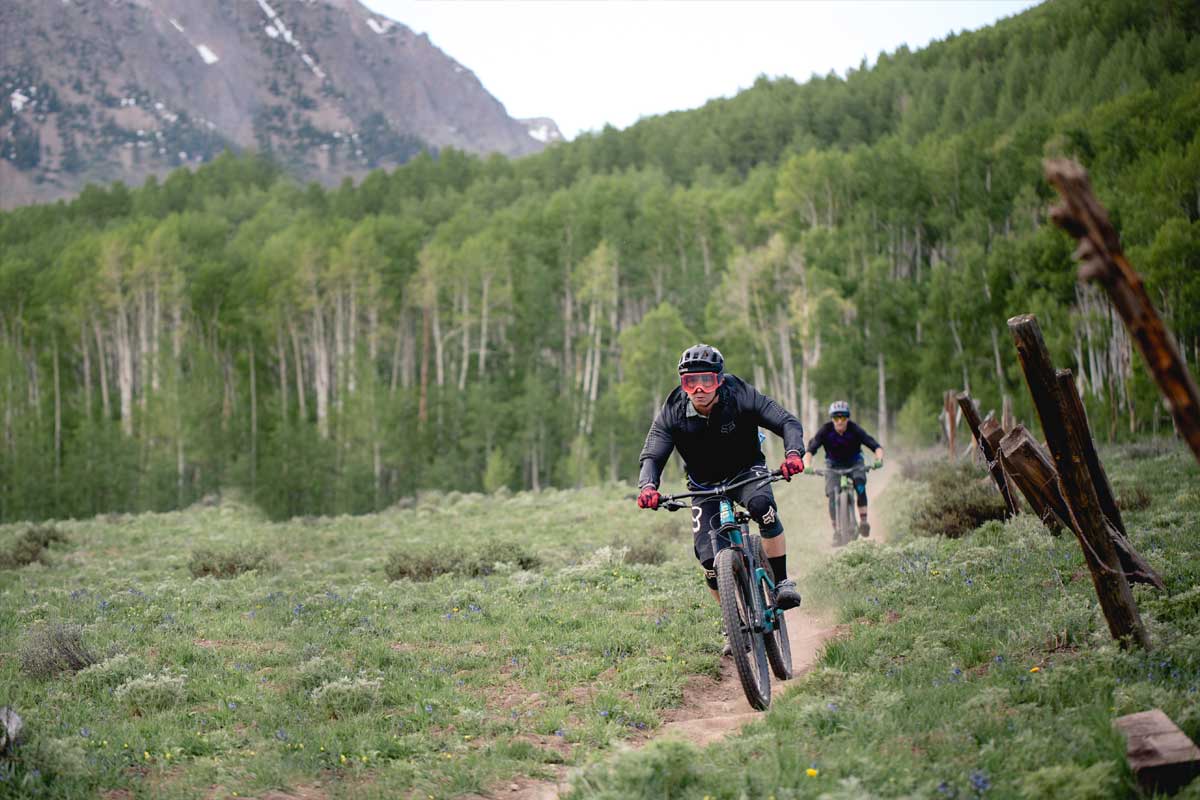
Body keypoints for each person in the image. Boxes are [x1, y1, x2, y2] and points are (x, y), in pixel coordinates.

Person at [634, 343, 806, 652]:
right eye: (689, 382)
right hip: (703, 485)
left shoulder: (740, 395)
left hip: (746, 472)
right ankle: (733, 621)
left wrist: (793, 453)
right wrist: (647, 487)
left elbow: (786, 422)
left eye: (707, 381)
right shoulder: (673, 410)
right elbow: (653, 453)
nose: (698, 389)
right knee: (709, 560)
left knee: (761, 507)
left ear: (720, 380)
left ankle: (781, 581)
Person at [803, 400, 884, 540]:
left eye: (843, 417)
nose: (839, 421)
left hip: (855, 462)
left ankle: (863, 521)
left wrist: (878, 459)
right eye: (836, 418)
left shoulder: (855, 429)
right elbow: (810, 450)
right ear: (832, 419)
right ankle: (836, 530)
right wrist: (807, 465)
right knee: (831, 496)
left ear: (848, 418)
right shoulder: (825, 430)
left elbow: (876, 446)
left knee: (859, 485)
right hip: (833, 465)